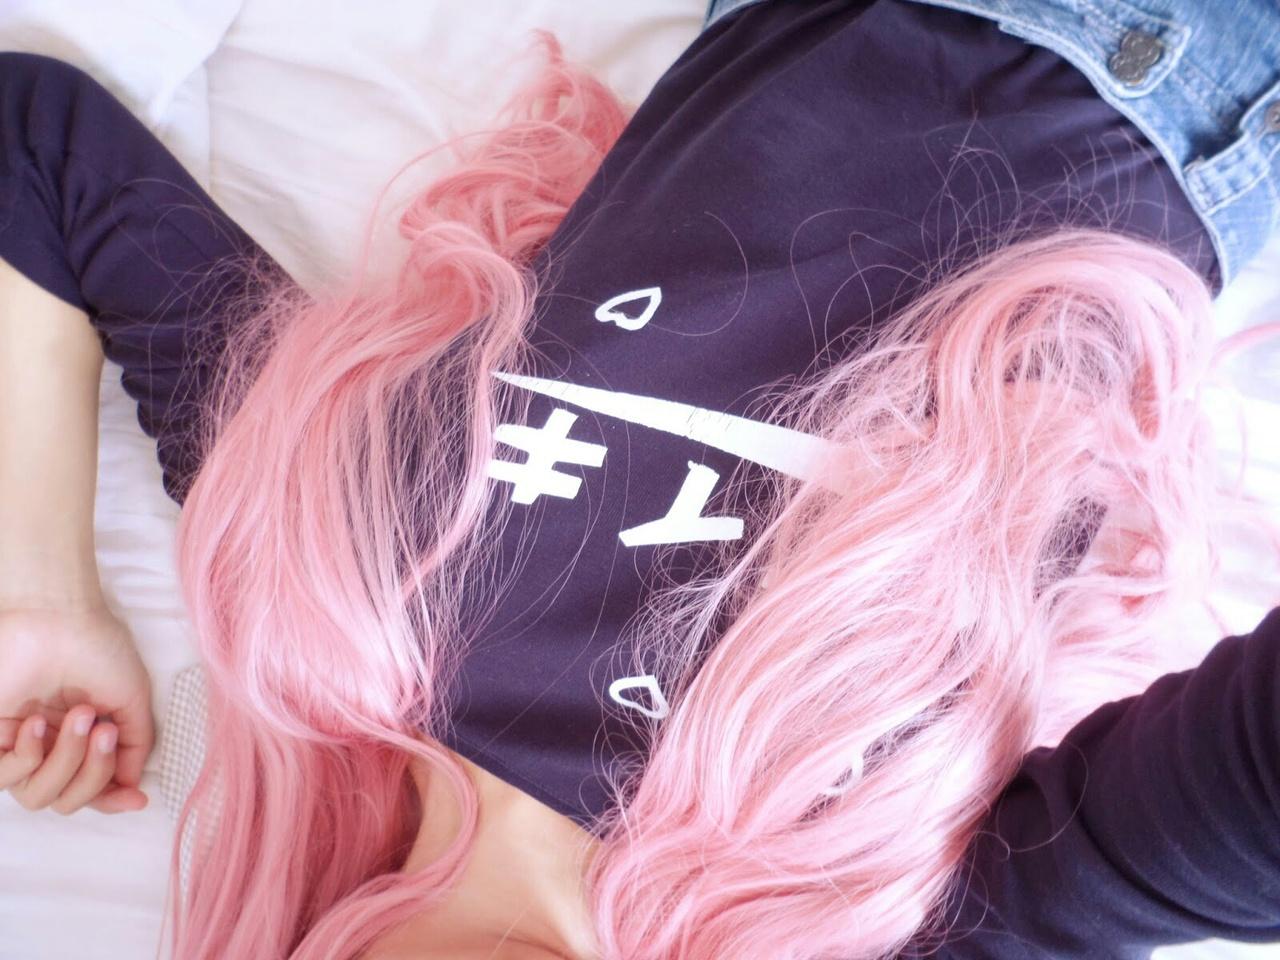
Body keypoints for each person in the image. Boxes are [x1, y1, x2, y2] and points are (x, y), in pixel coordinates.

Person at [0, 1, 1276, 959]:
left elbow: (33, 144)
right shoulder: (874, 909)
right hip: (1190, 85)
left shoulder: (307, 597)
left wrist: (42, 599)